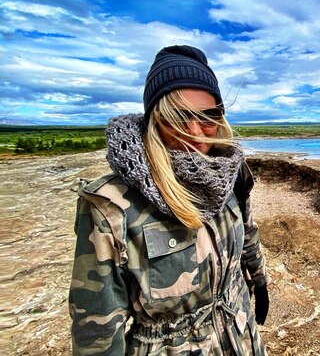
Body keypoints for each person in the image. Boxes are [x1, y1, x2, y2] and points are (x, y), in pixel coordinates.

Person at [69, 45, 269, 355]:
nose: (194, 132)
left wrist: (258, 279)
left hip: (242, 337)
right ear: (154, 118)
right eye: (178, 116)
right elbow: (97, 329)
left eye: (208, 116)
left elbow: (247, 230)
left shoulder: (232, 173)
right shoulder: (110, 205)